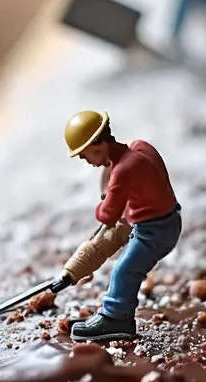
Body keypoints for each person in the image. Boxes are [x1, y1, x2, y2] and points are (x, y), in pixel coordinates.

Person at [62, 110, 182, 342]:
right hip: (163, 221)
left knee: (124, 270)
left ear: (96, 145)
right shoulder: (139, 147)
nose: (85, 161)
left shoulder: (123, 169)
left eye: (84, 155)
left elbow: (107, 214)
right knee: (124, 267)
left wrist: (101, 202)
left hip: (155, 231)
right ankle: (113, 316)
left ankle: (117, 318)